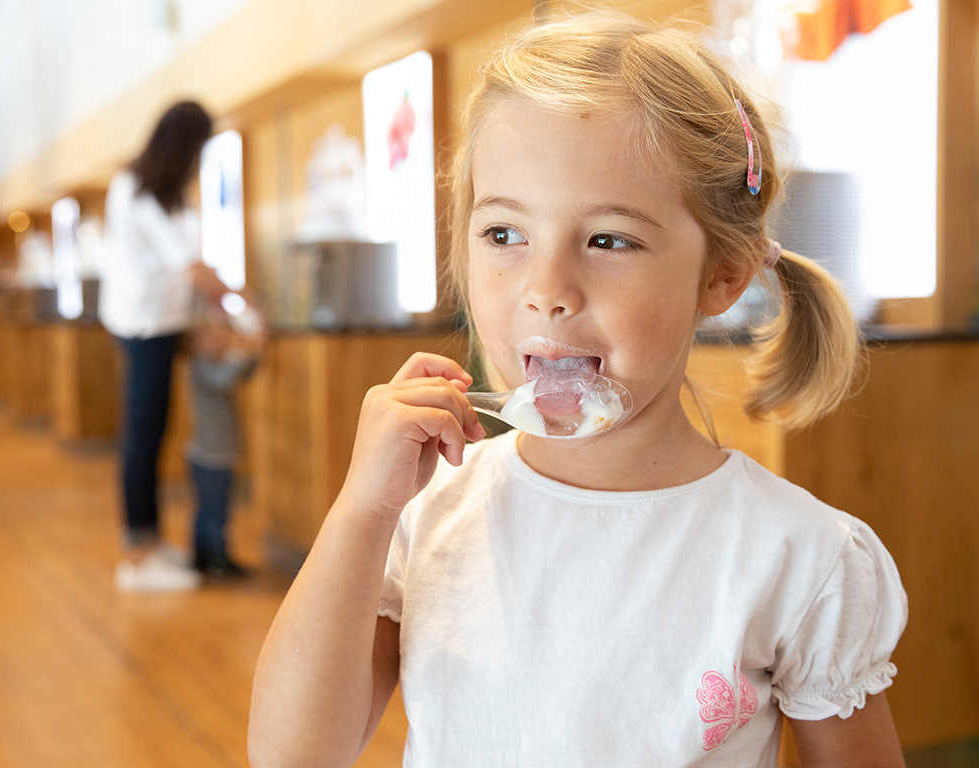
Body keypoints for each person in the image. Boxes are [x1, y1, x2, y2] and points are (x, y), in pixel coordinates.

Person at [248, 12, 908, 768]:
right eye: (504, 234)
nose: (545, 290)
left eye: (608, 240)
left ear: (722, 274)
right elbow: (290, 756)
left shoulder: (795, 558)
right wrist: (362, 511)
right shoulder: (426, 517)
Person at [101, 101, 228, 592]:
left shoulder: (171, 195)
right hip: (141, 326)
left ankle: (151, 542)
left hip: (166, 324)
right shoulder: (133, 188)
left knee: (156, 432)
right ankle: (138, 554)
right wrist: (236, 301)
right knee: (142, 436)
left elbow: (189, 264)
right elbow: (189, 266)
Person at [185, 300, 265, 579]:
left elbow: (241, 373)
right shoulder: (201, 369)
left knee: (213, 508)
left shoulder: (212, 366)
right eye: (211, 339)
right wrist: (240, 352)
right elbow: (225, 379)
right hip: (209, 454)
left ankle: (205, 556)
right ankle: (212, 557)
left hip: (218, 453)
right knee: (213, 510)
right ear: (196, 344)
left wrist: (254, 350)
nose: (218, 344)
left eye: (220, 338)